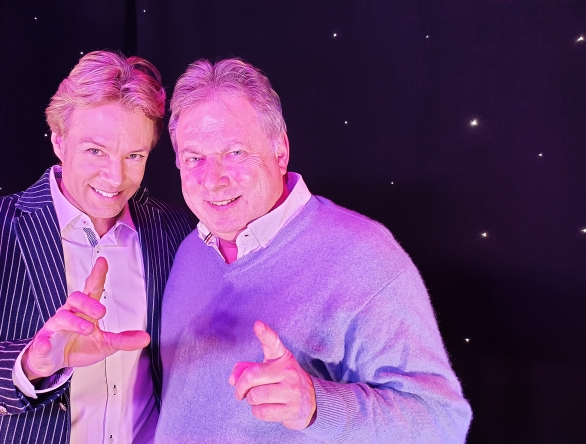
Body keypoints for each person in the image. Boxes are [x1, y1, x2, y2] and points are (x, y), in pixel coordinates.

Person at [155, 58, 472, 443]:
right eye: (194, 159)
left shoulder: (363, 256)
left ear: (280, 150)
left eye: (235, 153)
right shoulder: (190, 251)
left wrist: (316, 405)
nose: (213, 180)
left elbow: (442, 421)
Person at [0, 51, 193, 444]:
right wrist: (32, 363)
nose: (115, 178)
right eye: (95, 151)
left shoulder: (175, 227)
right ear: (59, 140)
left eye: (134, 155)